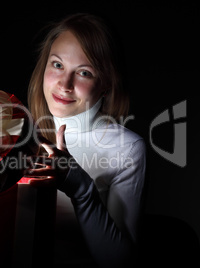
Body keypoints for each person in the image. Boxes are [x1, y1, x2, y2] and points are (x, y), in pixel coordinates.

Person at [25, 13, 146, 267]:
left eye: (84, 72)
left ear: (106, 83)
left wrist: (81, 189)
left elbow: (121, 262)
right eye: (57, 65)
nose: (65, 84)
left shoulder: (127, 149)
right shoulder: (18, 133)